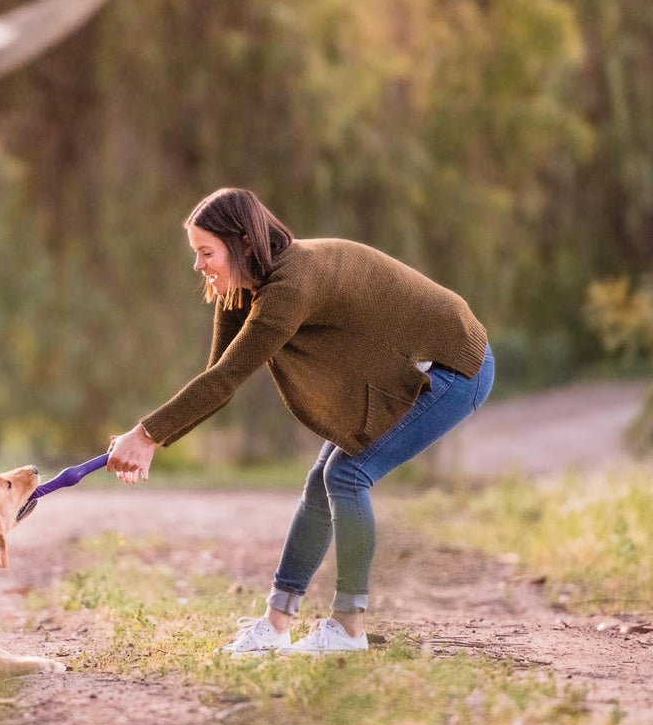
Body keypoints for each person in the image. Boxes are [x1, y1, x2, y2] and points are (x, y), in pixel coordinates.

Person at [107, 188, 494, 656]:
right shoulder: (244, 289)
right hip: (417, 368)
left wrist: (146, 435)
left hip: (456, 368)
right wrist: (151, 438)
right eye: (196, 254)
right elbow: (217, 378)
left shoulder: (290, 286)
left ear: (244, 244)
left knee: (347, 475)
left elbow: (227, 379)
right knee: (321, 481)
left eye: (206, 253)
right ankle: (275, 626)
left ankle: (349, 628)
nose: (198, 266)